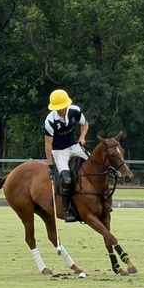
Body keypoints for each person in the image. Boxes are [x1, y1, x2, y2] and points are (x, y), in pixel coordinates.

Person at [44, 88, 89, 223]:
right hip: (59, 151)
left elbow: (85, 124)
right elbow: (48, 145)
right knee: (66, 179)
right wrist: (50, 164)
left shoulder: (74, 111)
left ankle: (102, 198)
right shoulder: (50, 120)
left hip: (75, 146)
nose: (61, 110)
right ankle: (68, 208)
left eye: (63, 107)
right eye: (58, 108)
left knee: (95, 165)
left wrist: (82, 137)